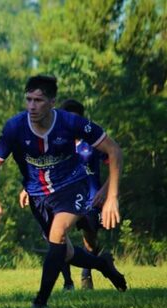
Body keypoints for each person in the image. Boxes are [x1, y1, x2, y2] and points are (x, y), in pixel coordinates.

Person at [0, 75, 127, 308]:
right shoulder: (14, 127)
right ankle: (103, 264)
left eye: (38, 100)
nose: (32, 106)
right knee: (66, 252)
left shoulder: (71, 122)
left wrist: (111, 196)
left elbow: (114, 151)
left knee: (58, 235)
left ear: (52, 102)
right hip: (37, 196)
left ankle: (40, 303)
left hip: (71, 187)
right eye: (28, 99)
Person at [19, 99, 107, 291]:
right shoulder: (54, 142)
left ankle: (88, 271)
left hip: (91, 199)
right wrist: (27, 188)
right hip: (63, 197)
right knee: (58, 238)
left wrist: (106, 190)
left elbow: (115, 163)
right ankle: (68, 282)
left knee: (90, 238)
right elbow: (41, 169)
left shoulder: (92, 143)